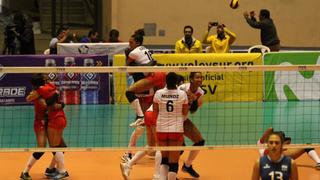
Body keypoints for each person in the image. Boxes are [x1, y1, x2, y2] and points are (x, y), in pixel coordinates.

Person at [121, 29, 166, 164]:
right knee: (145, 123)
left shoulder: (134, 54)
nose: (129, 45)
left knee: (145, 122)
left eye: (131, 42)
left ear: (138, 43)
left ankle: (133, 152)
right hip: (146, 90)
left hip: (147, 91)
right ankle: (140, 151)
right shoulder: (144, 54)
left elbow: (130, 68)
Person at [26, 74, 69, 179]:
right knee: (61, 146)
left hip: (54, 120)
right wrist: (61, 103)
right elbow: (52, 101)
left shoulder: (40, 91)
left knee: (54, 147)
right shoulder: (51, 87)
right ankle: (51, 169)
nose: (47, 78)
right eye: (45, 78)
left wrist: (57, 102)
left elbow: (46, 104)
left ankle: (62, 171)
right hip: (57, 118)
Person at [20, 74, 59, 180]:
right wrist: (38, 94)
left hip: (51, 122)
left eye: (47, 78)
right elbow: (29, 98)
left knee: (60, 147)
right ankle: (25, 172)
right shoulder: (37, 93)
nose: (47, 79)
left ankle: (51, 169)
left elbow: (54, 91)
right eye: (44, 79)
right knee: (41, 148)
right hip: (40, 123)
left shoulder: (50, 86)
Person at [153, 72, 189, 180]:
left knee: (164, 158)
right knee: (173, 161)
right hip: (176, 129)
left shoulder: (158, 93)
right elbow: (185, 112)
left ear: (166, 82)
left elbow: (155, 110)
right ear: (177, 82)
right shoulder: (182, 94)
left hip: (161, 128)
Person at [178, 72, 205, 178]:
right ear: (191, 79)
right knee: (179, 149)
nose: (200, 79)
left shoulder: (200, 92)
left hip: (183, 120)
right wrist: (186, 98)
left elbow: (193, 110)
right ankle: (167, 172)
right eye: (197, 77)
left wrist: (194, 101)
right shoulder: (182, 88)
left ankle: (187, 166)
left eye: (201, 77)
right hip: (173, 121)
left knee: (200, 141)